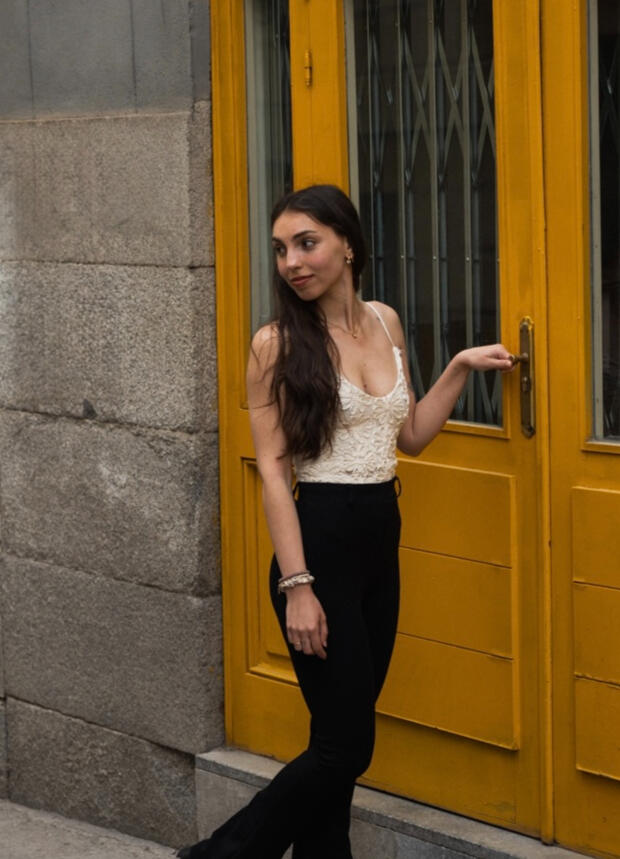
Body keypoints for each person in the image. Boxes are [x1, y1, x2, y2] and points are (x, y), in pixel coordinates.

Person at [176, 184, 515, 858]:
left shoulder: (385, 322)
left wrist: (457, 367)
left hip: (379, 541)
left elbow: (411, 437)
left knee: (338, 735)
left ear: (348, 245)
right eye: (282, 249)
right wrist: (298, 586)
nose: (292, 262)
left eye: (307, 243)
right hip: (319, 547)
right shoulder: (275, 344)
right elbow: (274, 472)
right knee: (345, 747)